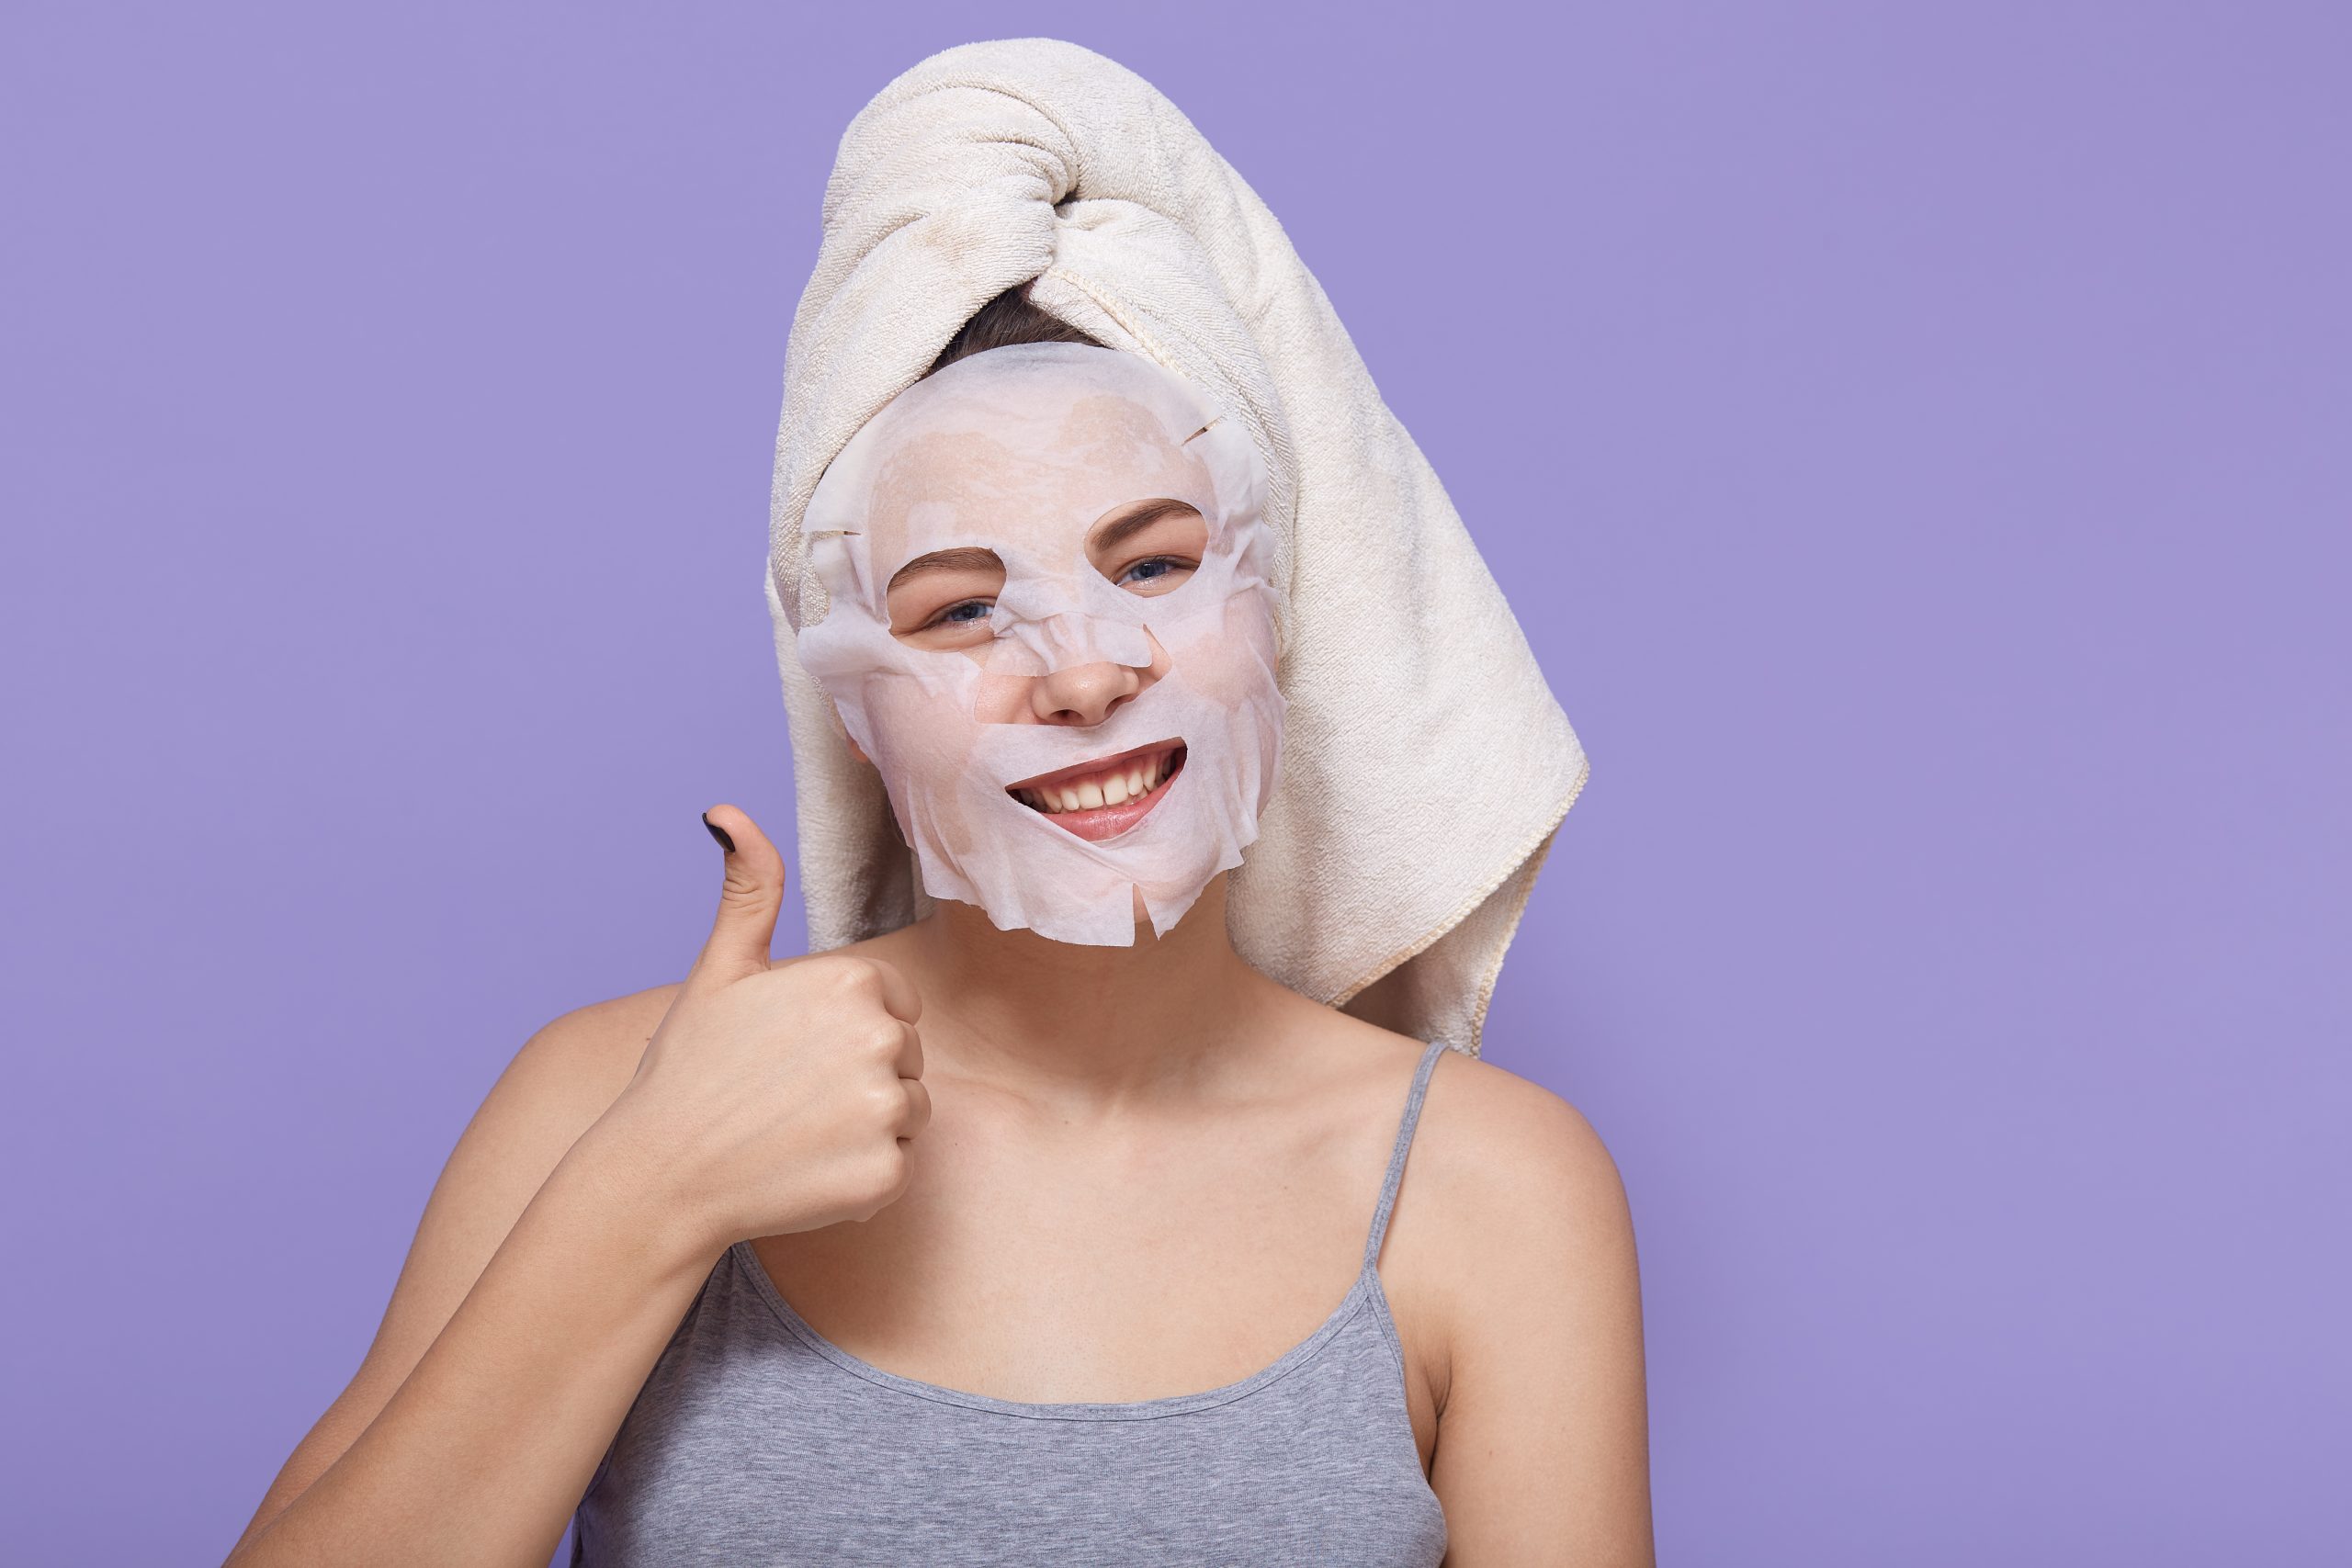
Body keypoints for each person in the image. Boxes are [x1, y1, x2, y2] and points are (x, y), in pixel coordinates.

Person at [222, 41, 1651, 1568]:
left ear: (1278, 613)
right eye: (962, 609)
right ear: (850, 705)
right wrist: (648, 1194)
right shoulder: (607, 1103)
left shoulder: (1495, 1191)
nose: (1084, 672)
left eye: (1156, 565)